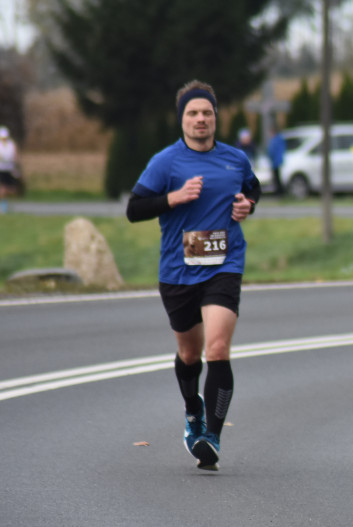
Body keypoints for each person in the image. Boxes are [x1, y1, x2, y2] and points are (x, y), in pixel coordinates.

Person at [126, 80, 261, 471]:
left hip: (224, 265)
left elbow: (253, 189)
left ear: (215, 117)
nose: (200, 119)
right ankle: (192, 409)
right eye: (192, 113)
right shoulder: (165, 162)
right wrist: (173, 198)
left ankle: (211, 437)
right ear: (181, 119)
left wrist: (247, 205)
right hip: (177, 270)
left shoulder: (235, 159)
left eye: (206, 112)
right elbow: (134, 209)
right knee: (189, 354)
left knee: (217, 349)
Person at [0, 126, 19, 214]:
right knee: (3, 189)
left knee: (12, 190)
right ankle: (3, 208)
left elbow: (15, 156)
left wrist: (16, 167)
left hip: (9, 168)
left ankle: (7, 206)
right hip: (1, 169)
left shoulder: (11, 144)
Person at [267, 126, 286, 195]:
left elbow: (272, 151)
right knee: (278, 177)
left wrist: (270, 157)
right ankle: (280, 190)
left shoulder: (275, 140)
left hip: (275, 162)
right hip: (278, 161)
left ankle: (279, 191)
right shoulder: (279, 139)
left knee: (276, 177)